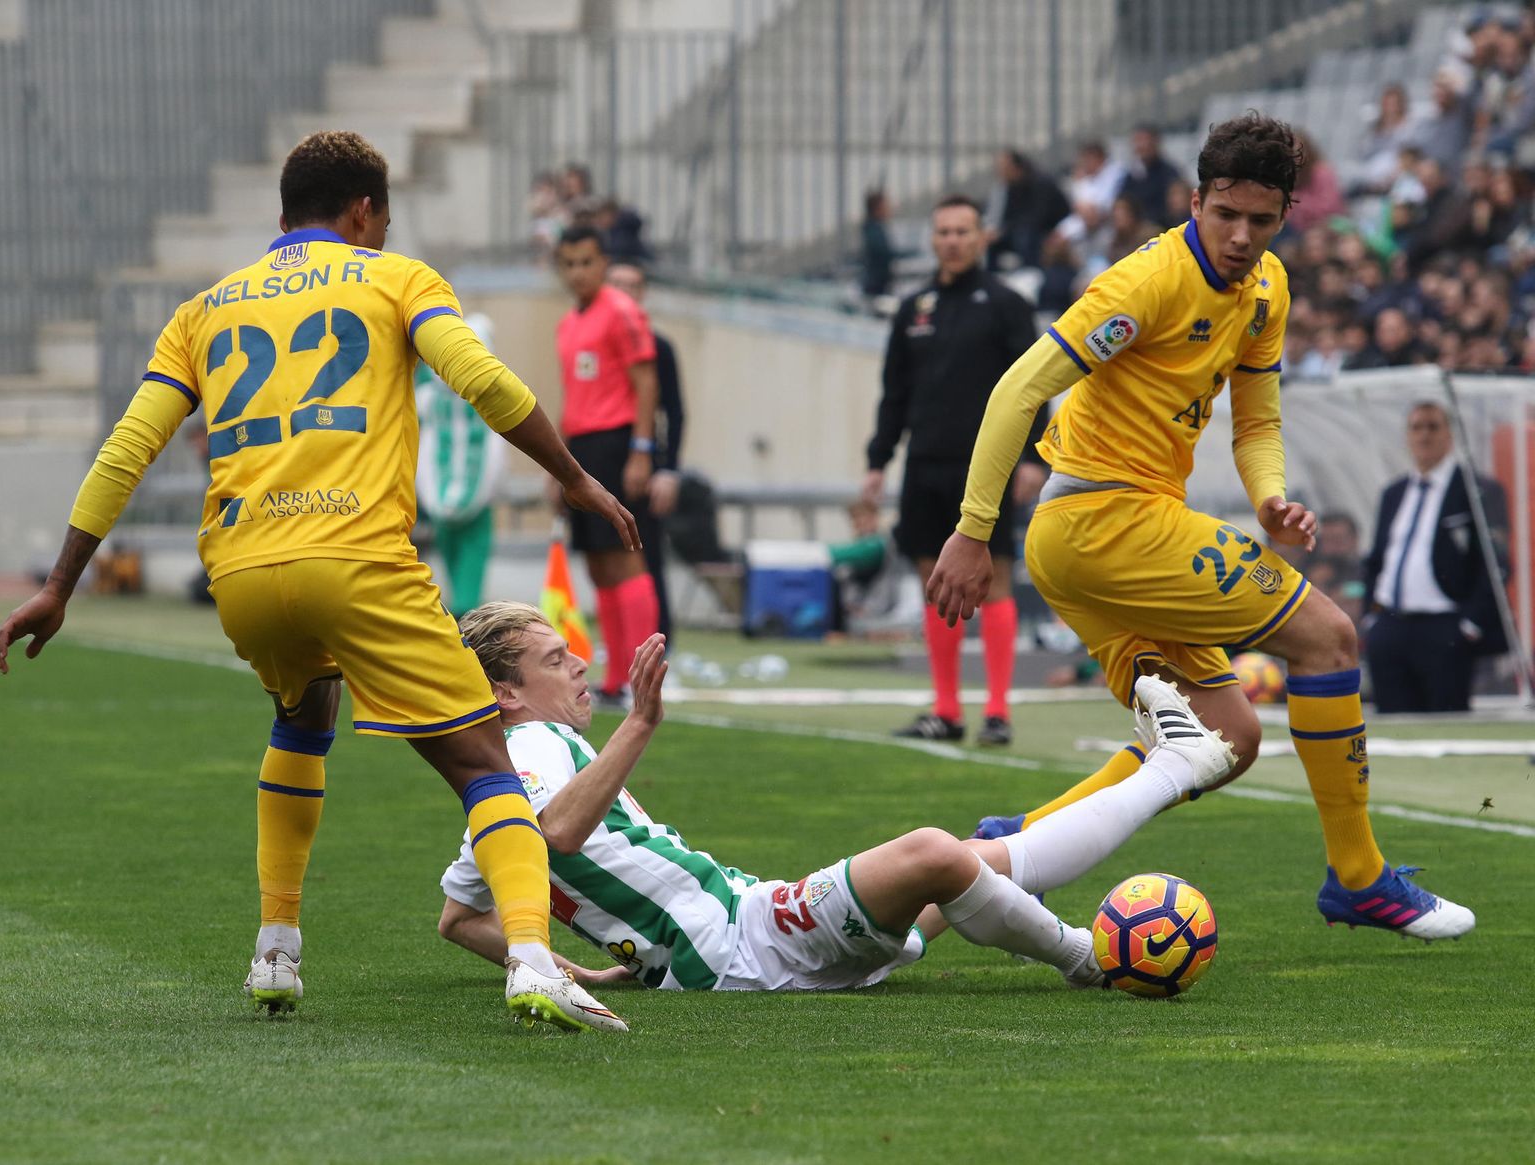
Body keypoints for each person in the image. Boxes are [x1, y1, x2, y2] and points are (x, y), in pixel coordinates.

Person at [0, 131, 636, 1032]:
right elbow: (477, 376)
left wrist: (61, 584)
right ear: (365, 211)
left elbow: (127, 447)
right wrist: (571, 474)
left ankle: (276, 950)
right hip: (358, 558)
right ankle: (532, 957)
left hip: (245, 570)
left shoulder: (203, 310)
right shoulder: (396, 278)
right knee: (486, 759)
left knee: (303, 715)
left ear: (282, 215)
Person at [929, 113, 1474, 941]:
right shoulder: (1144, 282)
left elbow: (1255, 420)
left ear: (1286, 214)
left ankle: (1010, 849)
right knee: (1329, 638)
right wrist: (972, 530)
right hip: (1102, 518)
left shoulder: (1268, 291)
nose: (1241, 235)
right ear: (1196, 200)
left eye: (1261, 219)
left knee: (1223, 734)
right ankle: (1359, 878)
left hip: (1110, 532)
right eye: (1226, 215)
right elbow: (1017, 388)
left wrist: (1269, 497)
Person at [435, 602, 1239, 993]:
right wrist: (641, 721)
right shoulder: (529, 746)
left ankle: (1174, 763)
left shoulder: (501, 787)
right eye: (552, 658)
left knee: (977, 857)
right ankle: (1089, 959)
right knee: (934, 850)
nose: (577, 661)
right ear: (506, 693)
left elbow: (459, 915)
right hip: (740, 951)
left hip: (742, 924)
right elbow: (560, 832)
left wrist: (577, 969)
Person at [864, 194, 1043, 745]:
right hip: (925, 464)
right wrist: (877, 461)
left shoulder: (1007, 304)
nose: (953, 240)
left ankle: (997, 711)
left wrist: (1034, 458)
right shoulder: (913, 307)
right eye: (943, 232)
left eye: (963, 231)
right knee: (933, 582)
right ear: (932, 240)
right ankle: (946, 710)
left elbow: (1037, 386)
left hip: (986, 471)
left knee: (995, 581)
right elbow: (894, 393)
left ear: (982, 237)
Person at [553, 225, 661, 702]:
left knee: (625, 556)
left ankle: (645, 674)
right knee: (598, 564)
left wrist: (642, 450)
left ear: (602, 262)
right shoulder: (568, 324)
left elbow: (646, 384)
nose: (579, 272)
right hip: (583, 447)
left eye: (587, 262)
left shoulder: (621, 311)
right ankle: (617, 677)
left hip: (617, 443)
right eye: (570, 264)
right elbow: (572, 396)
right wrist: (556, 465)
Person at [1362, 401, 1510, 713]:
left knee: (1446, 718)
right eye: (1417, 427)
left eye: (1433, 427)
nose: (1424, 436)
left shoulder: (1476, 489)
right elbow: (1377, 558)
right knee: (1392, 724)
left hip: (1445, 627)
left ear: (1449, 435)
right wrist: (1371, 618)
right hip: (1390, 625)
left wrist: (1470, 624)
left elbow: (1496, 562)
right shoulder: (1395, 492)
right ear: (1407, 436)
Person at [605, 261, 685, 645]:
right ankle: (619, 648)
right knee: (605, 556)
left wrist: (667, 469)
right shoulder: (592, 335)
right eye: (615, 284)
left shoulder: (658, 346)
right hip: (602, 460)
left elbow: (674, 410)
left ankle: (659, 643)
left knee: (647, 554)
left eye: (631, 286)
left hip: (641, 463)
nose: (622, 293)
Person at [415, 310, 505, 617]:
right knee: (459, 575)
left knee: (463, 581)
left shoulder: (436, 395)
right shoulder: (434, 397)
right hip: (452, 497)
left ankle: (466, 623)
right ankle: (466, 623)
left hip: (463, 498)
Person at [984, 150, 1071, 270]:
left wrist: (1006, 230)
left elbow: (1039, 217)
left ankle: (1031, 273)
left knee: (1025, 237)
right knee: (992, 242)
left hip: (1050, 228)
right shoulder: (1011, 186)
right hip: (1022, 228)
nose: (1000, 172)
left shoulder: (1040, 182)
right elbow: (1010, 216)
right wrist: (999, 232)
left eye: (1004, 168)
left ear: (1015, 167)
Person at [1118, 124, 1184, 228]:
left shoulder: (1169, 173)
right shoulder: (1131, 175)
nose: (1142, 145)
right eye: (1138, 141)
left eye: (1145, 140)